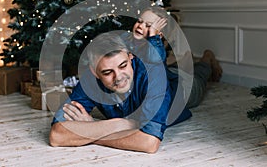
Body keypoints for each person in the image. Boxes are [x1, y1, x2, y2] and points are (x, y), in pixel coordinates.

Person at [49, 32, 192, 153]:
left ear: (130, 56)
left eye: (123, 66)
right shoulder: (89, 80)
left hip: (182, 89)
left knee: (198, 75)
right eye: (107, 72)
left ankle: (205, 60)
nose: (118, 77)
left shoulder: (154, 75)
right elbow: (57, 135)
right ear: (94, 71)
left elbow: (149, 142)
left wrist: (89, 132)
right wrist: (120, 124)